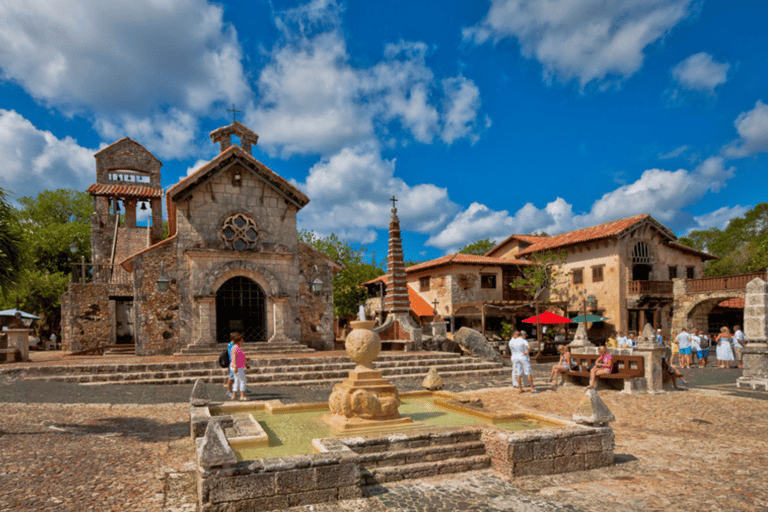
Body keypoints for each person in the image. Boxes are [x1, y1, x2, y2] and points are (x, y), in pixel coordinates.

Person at [230, 332, 250, 400]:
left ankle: (234, 395)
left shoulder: (235, 348)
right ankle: (242, 396)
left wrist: (246, 364)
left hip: (236, 367)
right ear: (238, 342)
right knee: (242, 380)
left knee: (236, 381)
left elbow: (240, 358)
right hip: (238, 367)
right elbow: (234, 358)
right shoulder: (237, 348)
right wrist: (235, 366)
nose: (242, 342)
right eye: (241, 341)